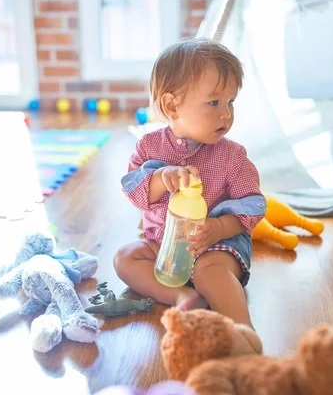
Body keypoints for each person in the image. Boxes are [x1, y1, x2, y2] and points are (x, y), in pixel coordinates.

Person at [114, 38, 266, 330]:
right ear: (172, 106)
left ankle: (244, 332)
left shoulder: (232, 156)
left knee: (211, 272)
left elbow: (253, 206)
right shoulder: (149, 147)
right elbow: (133, 191)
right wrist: (159, 179)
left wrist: (219, 228)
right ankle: (181, 295)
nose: (226, 113)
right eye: (214, 102)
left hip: (217, 248)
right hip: (164, 246)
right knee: (125, 258)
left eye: (230, 102)